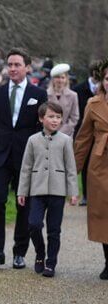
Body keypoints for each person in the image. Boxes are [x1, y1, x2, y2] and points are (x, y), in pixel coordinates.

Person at [0, 48, 47, 270]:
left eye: (17, 64)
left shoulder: (38, 94)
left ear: (27, 67)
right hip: (0, 155)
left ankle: (20, 252)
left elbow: (41, 128)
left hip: (26, 157)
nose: (12, 68)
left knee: (23, 204)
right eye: (9, 64)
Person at [17, 102, 79, 277]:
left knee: (54, 229)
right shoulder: (33, 140)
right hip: (36, 190)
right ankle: (40, 253)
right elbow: (26, 167)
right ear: (41, 118)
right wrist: (22, 191)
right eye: (51, 116)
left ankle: (51, 263)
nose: (55, 120)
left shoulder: (66, 140)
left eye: (58, 117)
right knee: (33, 224)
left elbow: (71, 168)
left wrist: (73, 192)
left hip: (57, 191)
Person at [74, 59, 108, 279]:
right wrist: (71, 174)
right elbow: (83, 138)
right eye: (107, 78)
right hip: (100, 164)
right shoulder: (93, 104)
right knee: (102, 214)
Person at [72, 61, 101, 206]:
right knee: (86, 163)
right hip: (84, 130)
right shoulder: (78, 89)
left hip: (101, 134)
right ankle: (86, 195)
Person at [46, 64, 79, 136]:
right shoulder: (45, 94)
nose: (60, 80)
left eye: (62, 77)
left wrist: (60, 132)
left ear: (66, 79)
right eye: (57, 77)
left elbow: (74, 118)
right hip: (48, 134)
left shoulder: (73, 95)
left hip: (66, 134)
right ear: (53, 79)